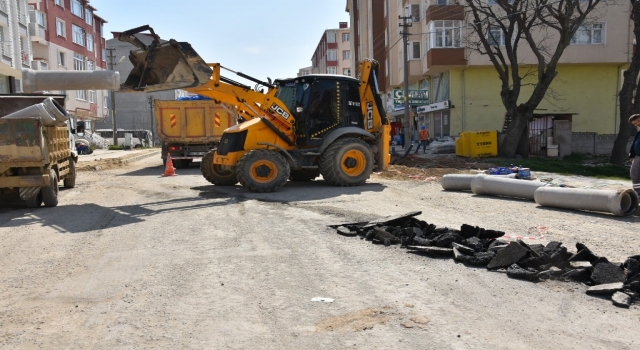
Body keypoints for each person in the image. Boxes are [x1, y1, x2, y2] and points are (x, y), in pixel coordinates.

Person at [629, 114, 640, 198]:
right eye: (634, 124)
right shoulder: (639, 132)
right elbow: (634, 144)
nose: (635, 125)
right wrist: (631, 155)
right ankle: (637, 193)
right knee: (634, 174)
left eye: (635, 122)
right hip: (637, 156)